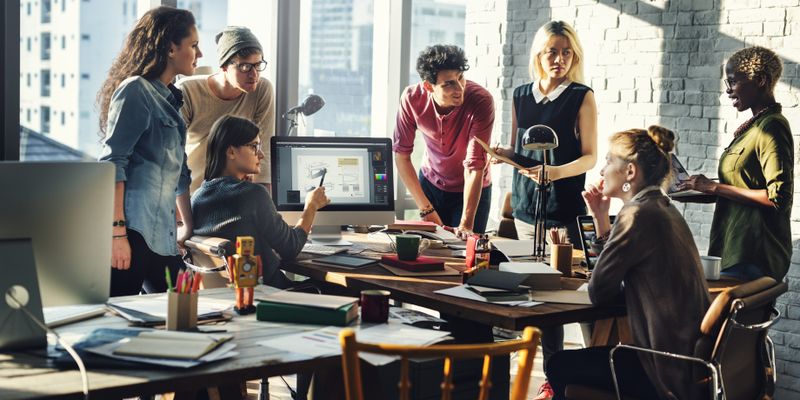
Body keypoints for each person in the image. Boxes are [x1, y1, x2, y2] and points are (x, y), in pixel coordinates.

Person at [547, 126, 711, 400]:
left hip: (661, 368)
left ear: (630, 172)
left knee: (559, 365)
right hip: (687, 362)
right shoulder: (662, 207)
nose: (602, 170)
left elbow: (598, 291)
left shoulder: (636, 214)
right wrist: (601, 219)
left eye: (609, 160)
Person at [491, 21, 597, 397]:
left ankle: (566, 377)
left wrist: (553, 172)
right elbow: (521, 151)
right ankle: (547, 379)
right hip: (524, 206)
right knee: (534, 294)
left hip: (563, 206)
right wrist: (505, 156)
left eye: (567, 52)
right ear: (539, 54)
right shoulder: (521, 94)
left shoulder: (581, 96)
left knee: (559, 294)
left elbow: (589, 158)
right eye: (552, 51)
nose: (560, 59)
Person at [97, 6, 201, 296]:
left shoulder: (172, 102)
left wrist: (188, 229)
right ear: (170, 47)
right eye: (193, 45)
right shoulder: (136, 91)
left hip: (163, 240)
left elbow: (181, 175)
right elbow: (113, 163)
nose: (199, 54)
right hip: (132, 235)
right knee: (116, 325)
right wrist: (117, 234)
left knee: (187, 308)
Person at [679, 46, 793, 282]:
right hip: (732, 249)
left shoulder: (771, 127)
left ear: (760, 80)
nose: (728, 90)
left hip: (752, 253)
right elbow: (742, 185)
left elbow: (778, 197)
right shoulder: (754, 127)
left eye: (732, 81)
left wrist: (715, 188)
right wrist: (694, 188)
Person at [191, 115, 330, 289]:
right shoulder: (253, 194)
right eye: (254, 146)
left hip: (229, 300)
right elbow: (291, 248)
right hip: (272, 296)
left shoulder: (197, 196)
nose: (261, 155)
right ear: (231, 151)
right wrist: (311, 206)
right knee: (344, 290)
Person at [393, 44, 494, 238]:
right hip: (431, 182)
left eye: (460, 78)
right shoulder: (411, 98)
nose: (459, 88)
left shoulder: (482, 101)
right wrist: (425, 209)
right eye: (449, 83)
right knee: (428, 250)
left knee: (466, 253)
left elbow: (474, 166)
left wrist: (466, 224)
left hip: (472, 188)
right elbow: (402, 156)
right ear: (428, 86)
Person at [177, 26, 275, 194]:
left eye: (257, 65)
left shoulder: (262, 89)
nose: (254, 75)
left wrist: (263, 205)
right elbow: (174, 156)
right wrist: (181, 208)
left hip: (235, 196)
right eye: (245, 67)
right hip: (192, 194)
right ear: (223, 66)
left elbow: (264, 148)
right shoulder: (187, 91)